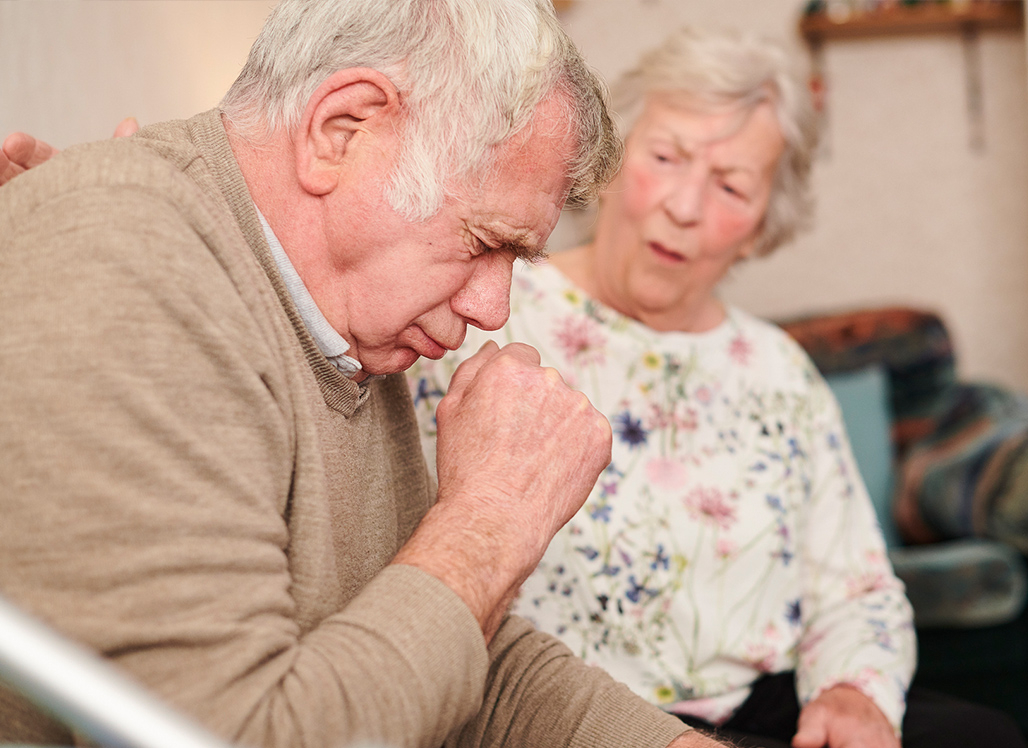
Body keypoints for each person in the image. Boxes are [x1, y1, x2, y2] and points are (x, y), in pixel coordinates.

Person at [0, 3, 725, 748]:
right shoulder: (123, 264)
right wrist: (491, 522)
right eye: (484, 242)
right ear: (340, 131)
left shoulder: (337, 318)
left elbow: (442, 650)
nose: (493, 306)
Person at [411, 29, 1028, 748]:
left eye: (731, 185)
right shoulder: (488, 310)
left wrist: (853, 693)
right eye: (666, 157)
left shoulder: (777, 369)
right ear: (609, 162)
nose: (684, 205)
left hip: (758, 706)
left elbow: (855, 586)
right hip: (567, 710)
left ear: (763, 226)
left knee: (980, 737)